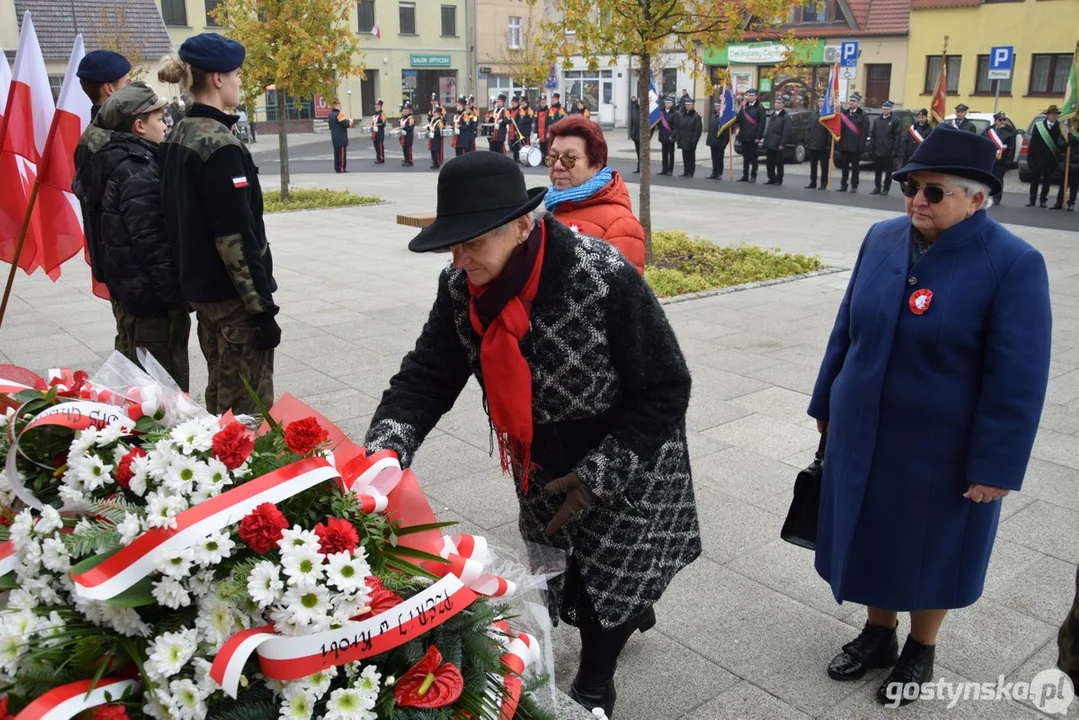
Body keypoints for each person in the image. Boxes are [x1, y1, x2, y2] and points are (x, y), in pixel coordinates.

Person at [363, 151, 700, 718]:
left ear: (523, 225)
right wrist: (385, 450)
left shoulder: (601, 276)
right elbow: (425, 376)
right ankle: (623, 608)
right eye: (453, 241)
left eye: (474, 241)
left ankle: (596, 679)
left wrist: (598, 478)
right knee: (555, 569)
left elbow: (667, 386)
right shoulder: (459, 290)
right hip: (539, 460)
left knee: (610, 583)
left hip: (624, 454)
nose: (459, 256)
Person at [809, 125, 1051, 708]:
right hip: (864, 427)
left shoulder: (1013, 264)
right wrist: (826, 403)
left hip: (941, 446)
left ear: (976, 198)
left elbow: (1018, 377)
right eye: (910, 187)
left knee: (929, 545)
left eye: (933, 192)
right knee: (869, 531)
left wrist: (996, 465)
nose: (917, 200)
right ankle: (878, 632)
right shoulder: (883, 238)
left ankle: (921, 646)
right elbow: (847, 326)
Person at [158, 33, 279, 415]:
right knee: (245, 415)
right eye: (237, 74)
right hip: (234, 302)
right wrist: (262, 309)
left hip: (205, 295)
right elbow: (235, 238)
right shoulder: (219, 145)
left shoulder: (178, 133)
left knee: (220, 396)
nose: (240, 82)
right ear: (217, 79)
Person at [72, 84, 190, 391]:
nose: (166, 123)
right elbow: (153, 247)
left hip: (134, 298)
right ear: (139, 126)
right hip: (152, 304)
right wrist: (177, 300)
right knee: (162, 397)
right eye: (159, 117)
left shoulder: (117, 160)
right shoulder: (137, 171)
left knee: (140, 388)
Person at [544, 115, 646, 272]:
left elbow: (624, 294)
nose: (558, 166)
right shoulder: (545, 208)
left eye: (570, 159)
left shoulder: (620, 225)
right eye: (553, 157)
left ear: (597, 165)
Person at [1026, 105, 1065, 209]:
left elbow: (1059, 144)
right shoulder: (1039, 126)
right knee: (1034, 181)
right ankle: (1032, 199)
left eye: (1056, 114)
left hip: (1050, 159)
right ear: (1048, 115)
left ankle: (1043, 200)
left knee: (1047, 181)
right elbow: (1032, 144)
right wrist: (1030, 160)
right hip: (1037, 159)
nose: (1055, 116)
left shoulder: (1059, 127)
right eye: (1053, 114)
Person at [837, 93, 868, 193]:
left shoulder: (863, 115)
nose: (851, 102)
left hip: (855, 147)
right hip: (845, 146)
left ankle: (854, 185)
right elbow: (840, 130)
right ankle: (843, 185)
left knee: (855, 168)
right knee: (844, 167)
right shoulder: (844, 114)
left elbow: (864, 132)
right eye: (850, 100)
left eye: (854, 101)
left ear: (858, 103)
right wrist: (839, 143)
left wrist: (861, 146)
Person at [982, 111, 1016, 206]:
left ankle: (997, 197)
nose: (1002, 122)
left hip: (1001, 160)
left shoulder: (1010, 132)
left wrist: (1009, 161)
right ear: (995, 121)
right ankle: (986, 196)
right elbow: (982, 142)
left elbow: (1011, 148)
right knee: (987, 179)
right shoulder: (988, 131)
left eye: (1004, 120)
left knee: (999, 179)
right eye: (1000, 120)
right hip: (989, 159)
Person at [869, 100, 900, 196]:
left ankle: (886, 188)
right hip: (878, 149)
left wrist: (894, 149)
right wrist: (871, 148)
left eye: (887, 109)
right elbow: (873, 135)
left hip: (888, 150)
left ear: (890, 110)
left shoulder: (895, 120)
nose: (885, 111)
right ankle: (877, 187)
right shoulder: (877, 121)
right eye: (883, 109)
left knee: (888, 171)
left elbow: (897, 136)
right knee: (877, 170)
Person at [735, 88, 765, 183]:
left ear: (756, 96)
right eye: (749, 96)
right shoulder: (744, 107)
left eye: (752, 96)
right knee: (745, 157)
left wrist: (758, 137)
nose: (750, 97)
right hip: (744, 136)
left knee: (753, 158)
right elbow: (738, 119)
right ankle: (745, 175)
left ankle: (753, 175)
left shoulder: (760, 108)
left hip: (753, 137)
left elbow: (762, 124)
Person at [763, 96, 790, 186]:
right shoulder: (773, 115)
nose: (777, 104)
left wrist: (782, 143)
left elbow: (786, 131)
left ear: (783, 105)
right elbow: (769, 129)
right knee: (769, 162)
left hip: (778, 143)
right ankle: (771, 178)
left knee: (779, 163)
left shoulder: (785, 116)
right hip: (770, 142)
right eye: (776, 103)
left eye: (779, 103)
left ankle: (779, 179)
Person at [805, 96, 831, 190]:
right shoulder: (813, 114)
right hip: (812, 144)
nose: (820, 103)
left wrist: (828, 144)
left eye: (822, 101)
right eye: (819, 101)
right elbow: (808, 129)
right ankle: (813, 182)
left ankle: (824, 183)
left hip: (823, 145)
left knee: (824, 166)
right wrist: (807, 140)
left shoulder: (828, 115)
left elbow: (829, 131)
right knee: (813, 165)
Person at [706, 98, 731, 180]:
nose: (716, 107)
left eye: (718, 105)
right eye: (715, 105)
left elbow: (726, 131)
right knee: (714, 158)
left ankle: (719, 173)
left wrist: (725, 142)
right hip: (713, 140)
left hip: (720, 141)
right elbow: (711, 129)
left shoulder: (724, 116)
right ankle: (714, 172)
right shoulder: (714, 115)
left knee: (719, 158)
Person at [678, 98, 702, 178]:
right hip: (684, 139)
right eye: (687, 105)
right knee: (685, 156)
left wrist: (695, 140)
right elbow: (680, 128)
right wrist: (679, 139)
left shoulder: (696, 116)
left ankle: (690, 171)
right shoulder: (683, 115)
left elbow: (697, 130)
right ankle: (686, 170)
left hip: (691, 139)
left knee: (691, 156)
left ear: (693, 105)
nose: (687, 106)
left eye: (689, 105)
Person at [1056, 127, 1078, 211]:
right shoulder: (1065, 131)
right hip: (1066, 162)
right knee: (1062, 184)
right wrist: (1067, 142)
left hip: (1076, 163)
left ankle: (1071, 203)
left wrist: (1075, 139)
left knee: (1074, 185)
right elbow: (1059, 143)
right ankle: (1059, 202)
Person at [328, 99, 353, 173]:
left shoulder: (330, 115)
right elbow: (346, 124)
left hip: (334, 137)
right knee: (342, 154)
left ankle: (337, 167)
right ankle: (342, 168)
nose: (340, 107)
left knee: (336, 153)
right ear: (338, 106)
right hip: (341, 137)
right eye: (340, 106)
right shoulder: (339, 115)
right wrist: (350, 121)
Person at [657, 97, 680, 176]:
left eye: (669, 103)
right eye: (666, 103)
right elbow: (659, 125)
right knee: (664, 154)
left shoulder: (675, 114)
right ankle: (664, 169)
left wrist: (673, 136)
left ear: (672, 104)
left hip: (670, 137)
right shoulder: (661, 113)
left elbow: (676, 126)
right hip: (663, 136)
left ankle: (670, 170)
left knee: (671, 154)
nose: (667, 105)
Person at [371, 98, 387, 164]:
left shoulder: (382, 115)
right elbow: (373, 123)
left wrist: (377, 124)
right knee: (376, 146)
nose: (376, 108)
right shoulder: (374, 115)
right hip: (375, 132)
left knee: (380, 146)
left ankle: (381, 158)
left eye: (377, 107)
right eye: (376, 107)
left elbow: (383, 124)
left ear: (380, 107)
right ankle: (378, 157)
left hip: (380, 132)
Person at [536, 94, 553, 160]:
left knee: (547, 147)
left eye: (544, 102)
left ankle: (547, 160)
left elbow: (551, 123)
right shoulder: (537, 111)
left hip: (546, 132)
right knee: (541, 146)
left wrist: (549, 132)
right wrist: (535, 132)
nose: (543, 104)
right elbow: (536, 122)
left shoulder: (549, 111)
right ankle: (542, 159)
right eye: (541, 102)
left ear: (546, 103)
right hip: (540, 132)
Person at [428, 105, 445, 169]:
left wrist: (435, 131)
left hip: (437, 138)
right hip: (432, 138)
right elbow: (430, 126)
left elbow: (440, 131)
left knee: (436, 151)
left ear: (439, 114)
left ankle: (437, 163)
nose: (434, 115)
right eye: (434, 114)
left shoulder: (439, 122)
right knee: (432, 150)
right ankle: (434, 162)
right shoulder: (433, 120)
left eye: (435, 114)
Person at [399, 101, 416, 166]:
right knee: (404, 148)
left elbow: (410, 127)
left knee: (408, 148)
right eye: (404, 111)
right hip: (403, 136)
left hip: (408, 136)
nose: (405, 112)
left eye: (406, 111)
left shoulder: (411, 118)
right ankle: (406, 160)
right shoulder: (403, 118)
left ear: (409, 111)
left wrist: (404, 127)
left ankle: (409, 161)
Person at [628, 96, 641, 174]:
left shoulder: (645, 110)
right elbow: (632, 122)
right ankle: (639, 167)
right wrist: (631, 133)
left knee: (642, 153)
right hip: (635, 134)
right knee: (638, 152)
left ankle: (642, 167)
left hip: (642, 135)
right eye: (639, 100)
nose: (639, 102)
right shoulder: (634, 109)